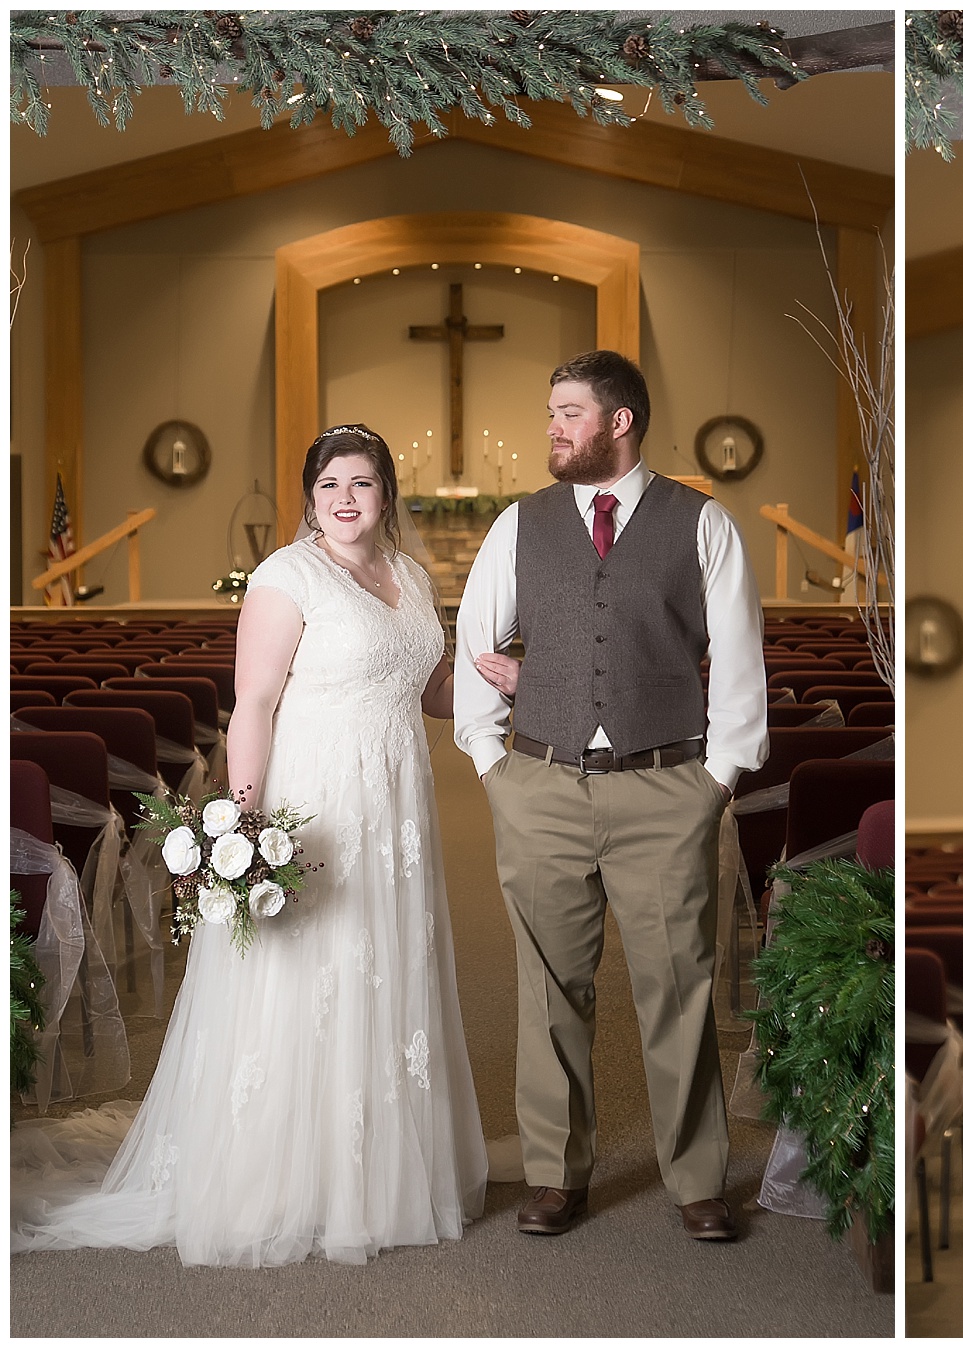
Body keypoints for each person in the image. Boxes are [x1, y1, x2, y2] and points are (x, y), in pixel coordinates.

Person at [12, 425, 489, 1267]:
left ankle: (382, 1168)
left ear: (386, 495)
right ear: (310, 496)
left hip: (398, 809)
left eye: (365, 483)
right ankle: (294, 1178)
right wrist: (242, 823)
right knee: (314, 971)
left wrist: (500, 675)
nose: (348, 497)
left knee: (386, 962)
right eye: (332, 483)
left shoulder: (411, 578)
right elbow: (257, 705)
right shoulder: (286, 577)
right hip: (319, 805)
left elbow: (431, 690)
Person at [455, 350, 767, 1241]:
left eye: (568, 413)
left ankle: (698, 1179)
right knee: (550, 987)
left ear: (620, 420)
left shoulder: (702, 524)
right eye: (550, 411)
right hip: (540, 786)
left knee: (679, 986)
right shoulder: (520, 525)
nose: (551, 427)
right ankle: (556, 1175)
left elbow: (740, 666)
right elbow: (475, 639)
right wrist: (491, 764)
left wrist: (714, 782)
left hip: (667, 786)